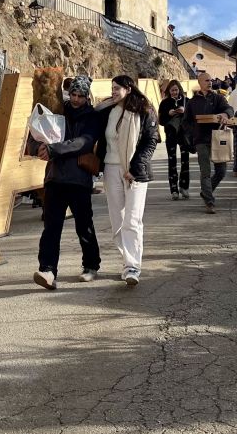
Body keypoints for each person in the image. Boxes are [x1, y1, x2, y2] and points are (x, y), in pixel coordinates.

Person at [32, 77, 103, 290]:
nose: (76, 99)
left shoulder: (92, 117)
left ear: (87, 96)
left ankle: (91, 265)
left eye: (81, 96)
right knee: (51, 228)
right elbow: (37, 133)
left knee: (84, 225)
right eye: (73, 94)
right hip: (55, 178)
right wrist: (38, 148)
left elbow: (84, 143)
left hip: (79, 179)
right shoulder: (57, 110)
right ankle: (47, 270)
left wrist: (54, 149)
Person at [96, 75, 158, 285]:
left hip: (135, 172)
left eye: (117, 88)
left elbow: (150, 141)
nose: (113, 92)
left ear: (129, 89)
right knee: (117, 220)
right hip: (111, 169)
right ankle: (126, 260)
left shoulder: (145, 110)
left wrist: (135, 168)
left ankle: (133, 266)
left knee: (132, 220)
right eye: (112, 88)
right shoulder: (106, 110)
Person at [184, 71, 234, 215]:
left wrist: (225, 114)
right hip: (201, 140)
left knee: (221, 171)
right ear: (199, 83)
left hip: (218, 138)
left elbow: (229, 109)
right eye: (206, 80)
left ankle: (206, 192)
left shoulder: (218, 97)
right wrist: (194, 132)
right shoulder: (192, 102)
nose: (210, 82)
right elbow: (186, 122)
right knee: (205, 172)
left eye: (210, 80)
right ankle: (209, 202)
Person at [158, 80, 192, 200]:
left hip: (184, 134)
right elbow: (161, 121)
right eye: (172, 90)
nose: (174, 92)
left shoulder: (187, 101)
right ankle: (174, 190)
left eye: (176, 90)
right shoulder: (164, 102)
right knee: (171, 161)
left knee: (185, 161)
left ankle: (184, 187)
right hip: (171, 134)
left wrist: (184, 111)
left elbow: (192, 118)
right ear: (169, 91)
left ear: (180, 90)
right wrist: (169, 114)